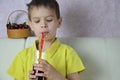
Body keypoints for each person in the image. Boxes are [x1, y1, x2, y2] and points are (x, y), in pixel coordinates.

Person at [7, 0, 85, 80]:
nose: (43, 25)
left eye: (49, 20)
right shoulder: (23, 56)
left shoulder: (68, 53)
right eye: (37, 21)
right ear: (31, 25)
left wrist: (56, 76)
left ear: (59, 22)